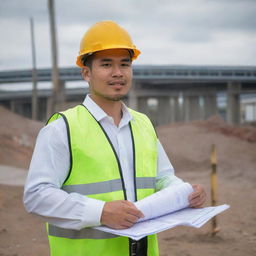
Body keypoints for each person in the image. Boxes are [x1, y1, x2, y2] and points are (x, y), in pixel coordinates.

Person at [23, 20, 206, 256]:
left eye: (124, 64)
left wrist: (185, 192)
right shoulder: (62, 128)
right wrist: (100, 212)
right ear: (86, 72)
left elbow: (162, 179)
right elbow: (37, 196)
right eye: (106, 64)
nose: (118, 73)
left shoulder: (144, 125)